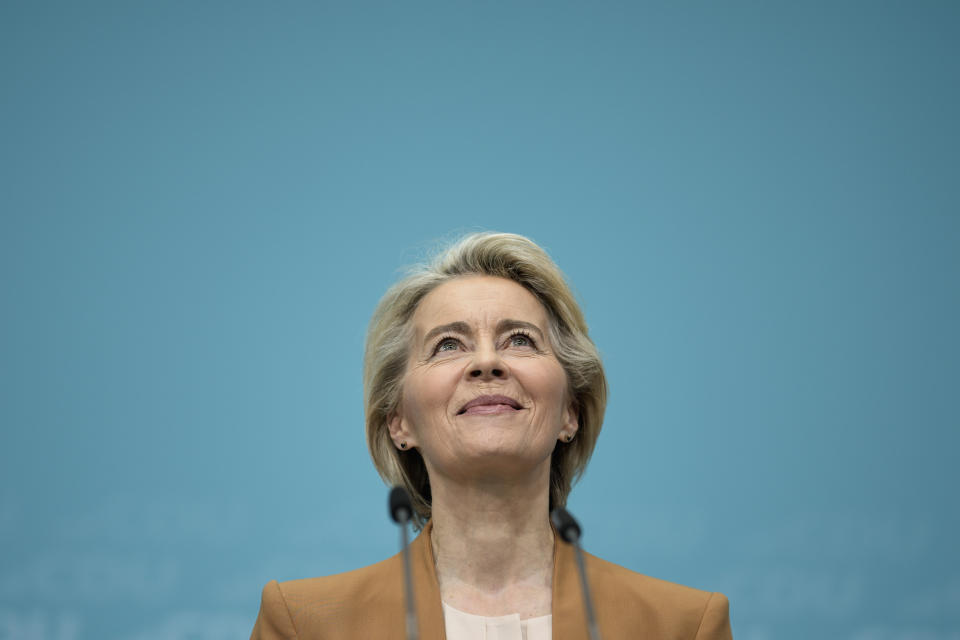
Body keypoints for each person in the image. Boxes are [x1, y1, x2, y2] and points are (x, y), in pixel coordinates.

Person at [250, 232, 732, 639]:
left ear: (570, 411)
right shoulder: (305, 625)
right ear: (399, 421)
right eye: (448, 345)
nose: (486, 362)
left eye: (519, 340)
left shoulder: (681, 627)